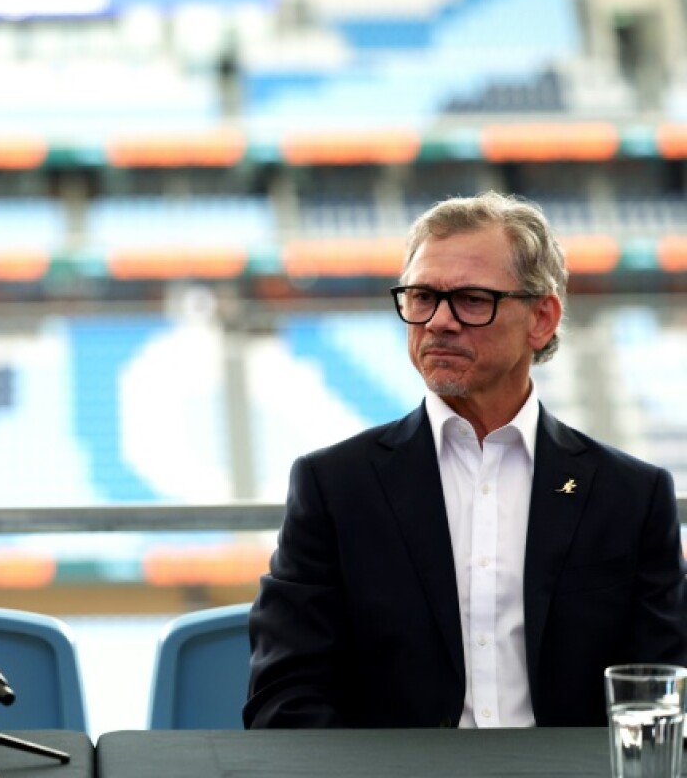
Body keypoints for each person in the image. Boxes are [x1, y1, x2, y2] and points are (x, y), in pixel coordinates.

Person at [245, 191, 687, 729]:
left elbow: (663, 693)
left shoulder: (631, 497)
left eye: (472, 300)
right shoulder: (334, 486)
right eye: (421, 296)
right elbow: (285, 696)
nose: (438, 322)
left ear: (542, 318)